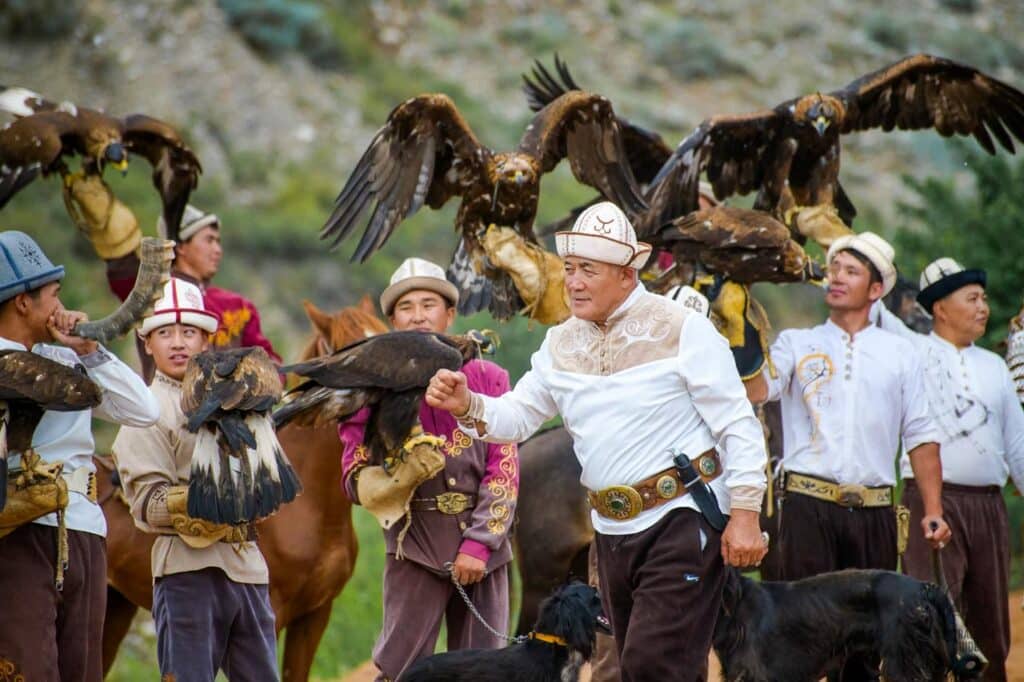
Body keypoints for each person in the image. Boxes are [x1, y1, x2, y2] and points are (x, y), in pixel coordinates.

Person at [426, 202, 768, 682]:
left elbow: (738, 422)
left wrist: (747, 512)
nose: (573, 281)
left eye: (588, 269)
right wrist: (467, 404)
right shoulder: (560, 343)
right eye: (568, 269)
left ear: (628, 274)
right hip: (609, 534)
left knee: (653, 668)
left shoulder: (683, 329)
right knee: (643, 667)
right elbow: (518, 416)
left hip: (681, 519)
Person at [745, 231, 951, 681]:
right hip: (804, 509)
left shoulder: (903, 353)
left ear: (876, 289)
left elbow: (920, 434)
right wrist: (739, 321)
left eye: (851, 271)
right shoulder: (795, 343)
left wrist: (933, 510)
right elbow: (758, 390)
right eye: (834, 268)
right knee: (792, 644)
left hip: (874, 514)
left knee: (865, 652)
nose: (836, 277)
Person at [340, 257, 518, 682]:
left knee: (484, 671)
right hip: (412, 546)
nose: (418, 315)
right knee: (400, 667)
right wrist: (369, 482)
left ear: (450, 314)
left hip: (484, 555)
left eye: (429, 304)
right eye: (406, 307)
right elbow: (353, 463)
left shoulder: (488, 378)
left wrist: (479, 545)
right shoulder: (372, 384)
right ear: (392, 321)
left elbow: (504, 467)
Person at [0, 230, 159, 682]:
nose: (61, 306)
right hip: (18, 533)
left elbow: (144, 410)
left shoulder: (68, 358)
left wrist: (89, 351)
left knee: (83, 672)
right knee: (26, 668)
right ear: (23, 304)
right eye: (53, 295)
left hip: (86, 528)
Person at [111, 277, 279, 681]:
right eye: (164, 333)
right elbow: (147, 506)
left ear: (207, 340)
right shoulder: (146, 411)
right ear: (147, 343)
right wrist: (208, 499)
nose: (178, 342)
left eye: (189, 332)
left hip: (248, 568)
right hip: (186, 573)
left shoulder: (237, 398)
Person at [872, 258, 1024, 682]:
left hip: (988, 508)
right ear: (940, 307)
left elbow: (1017, 445)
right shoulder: (911, 352)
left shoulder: (995, 368)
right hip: (930, 502)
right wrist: (865, 255)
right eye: (972, 298)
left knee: (990, 626)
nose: (984, 308)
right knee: (927, 619)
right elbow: (876, 309)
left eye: (985, 299)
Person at [105, 204, 280, 380]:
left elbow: (271, 365)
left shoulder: (239, 306)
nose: (218, 250)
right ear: (180, 246)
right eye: (209, 240)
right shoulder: (152, 295)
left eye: (218, 241)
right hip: (165, 404)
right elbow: (122, 274)